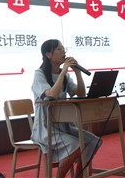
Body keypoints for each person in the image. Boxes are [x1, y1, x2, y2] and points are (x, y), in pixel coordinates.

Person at [31, 39, 102, 178]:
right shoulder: (40, 74)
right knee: (76, 144)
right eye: (60, 49)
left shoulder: (65, 75)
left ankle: (79, 175)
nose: (64, 52)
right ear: (48, 54)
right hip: (46, 128)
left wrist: (77, 73)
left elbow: (81, 93)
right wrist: (63, 72)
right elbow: (52, 94)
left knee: (93, 142)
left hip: (65, 125)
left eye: (64, 49)